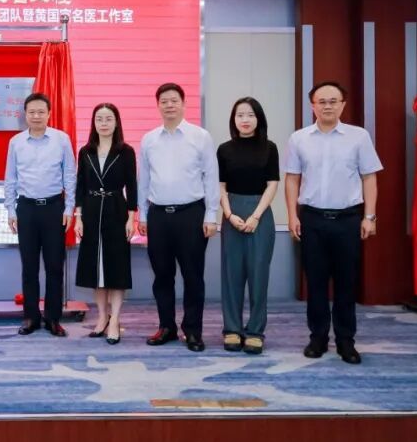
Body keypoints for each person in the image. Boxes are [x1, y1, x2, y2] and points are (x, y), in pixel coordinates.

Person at [285, 81, 382, 365]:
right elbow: (292, 179)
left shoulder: (359, 137)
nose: (327, 106)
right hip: (312, 219)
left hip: (348, 220)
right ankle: (317, 338)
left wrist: (370, 216)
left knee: (346, 283)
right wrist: (292, 215)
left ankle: (345, 340)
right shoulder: (299, 139)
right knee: (315, 283)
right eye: (321, 101)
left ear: (343, 104)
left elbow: (369, 177)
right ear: (312, 105)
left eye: (333, 101)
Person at [138, 82, 219, 352]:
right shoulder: (149, 139)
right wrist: (142, 214)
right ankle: (167, 327)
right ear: (158, 106)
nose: (169, 105)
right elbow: (144, 180)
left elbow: (211, 177)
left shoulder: (200, 137)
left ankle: (193, 330)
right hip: (158, 215)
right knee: (162, 275)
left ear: (183, 104)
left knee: (193, 276)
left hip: (191, 215)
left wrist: (211, 215)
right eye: (164, 101)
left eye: (174, 100)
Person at [4, 93, 77, 337]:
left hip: (54, 208)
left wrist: (69, 208)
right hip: (26, 209)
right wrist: (11, 209)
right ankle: (31, 317)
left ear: (49, 114)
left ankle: (53, 318)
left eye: (41, 112)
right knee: (29, 266)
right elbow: (10, 177)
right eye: (32, 112)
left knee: (55, 266)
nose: (36, 116)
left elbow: (70, 175)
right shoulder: (16, 142)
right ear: (25, 115)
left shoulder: (61, 139)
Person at [217, 97, 279, 354]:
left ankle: (255, 331)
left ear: (259, 119)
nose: (245, 120)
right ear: (233, 119)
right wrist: (229, 214)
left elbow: (272, 184)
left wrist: (255, 216)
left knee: (258, 274)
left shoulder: (270, 148)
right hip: (232, 212)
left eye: (250, 115)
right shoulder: (224, 149)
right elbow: (220, 186)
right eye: (240, 115)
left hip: (260, 213)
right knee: (231, 275)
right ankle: (232, 329)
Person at [74, 103, 137, 345]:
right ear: (93, 122)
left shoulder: (126, 151)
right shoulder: (86, 151)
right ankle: (102, 317)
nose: (103, 123)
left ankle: (115, 320)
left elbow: (132, 185)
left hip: (116, 210)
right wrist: (78, 216)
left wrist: (131, 217)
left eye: (108, 118)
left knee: (116, 268)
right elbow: (80, 185)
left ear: (116, 122)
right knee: (95, 269)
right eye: (99, 118)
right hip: (91, 211)